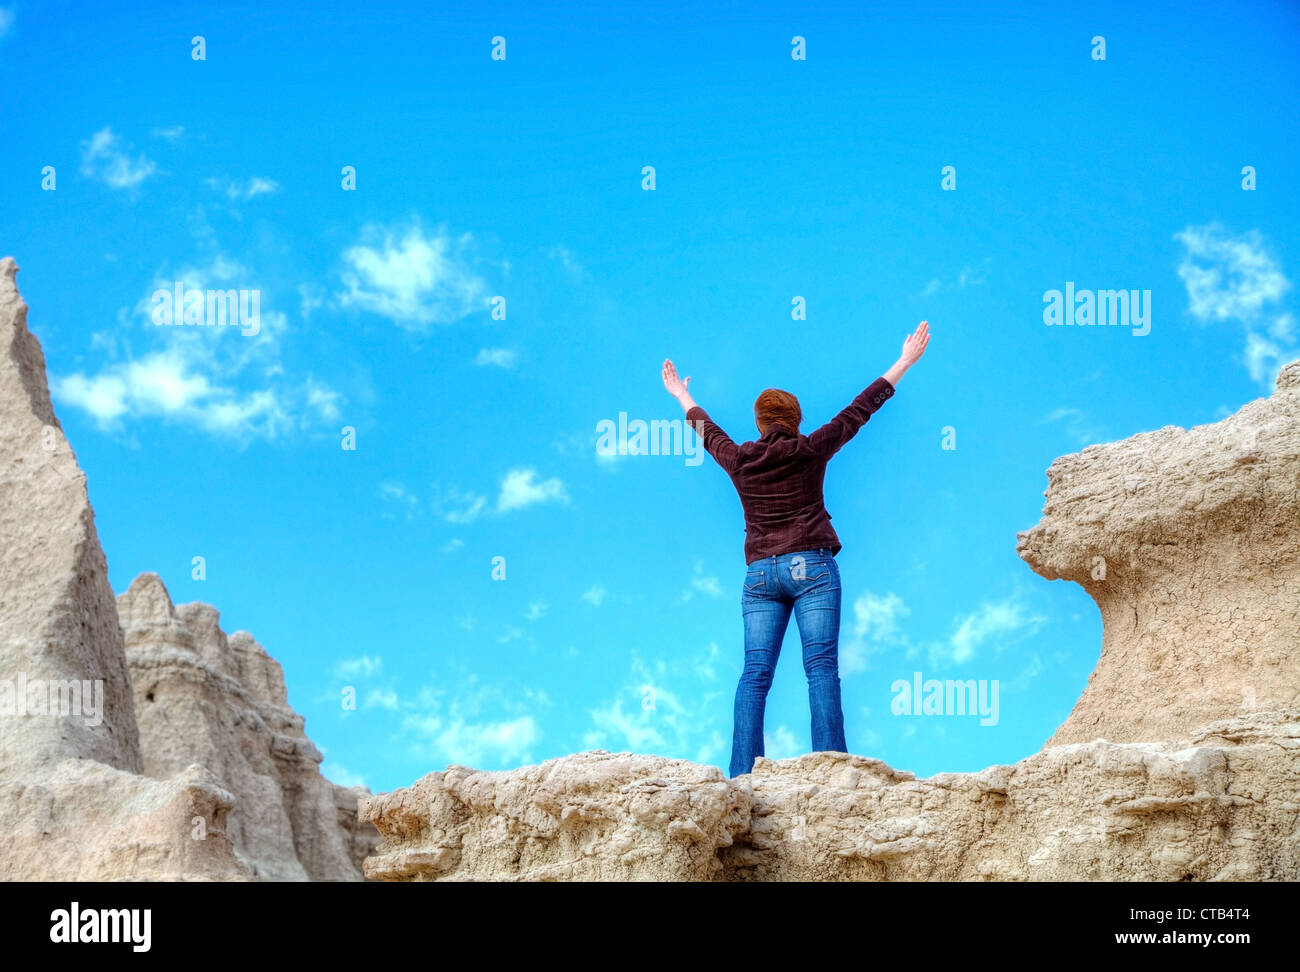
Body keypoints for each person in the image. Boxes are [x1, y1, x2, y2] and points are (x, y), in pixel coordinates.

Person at [661, 321, 930, 776]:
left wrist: (681, 396)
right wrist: (903, 362)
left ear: (760, 423)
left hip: (761, 575)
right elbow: (856, 413)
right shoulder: (810, 448)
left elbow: (707, 433)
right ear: (796, 420)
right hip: (812, 567)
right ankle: (829, 768)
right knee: (821, 667)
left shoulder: (741, 459)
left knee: (754, 675)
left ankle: (743, 776)